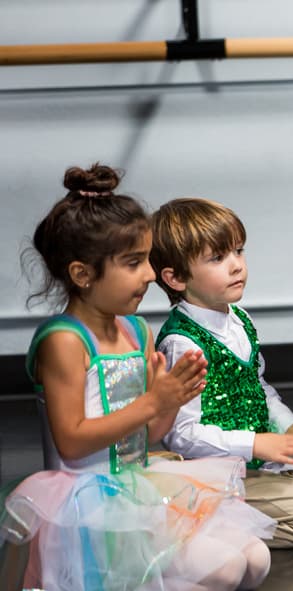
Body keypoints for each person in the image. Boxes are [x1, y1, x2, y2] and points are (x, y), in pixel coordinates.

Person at [0, 164, 273, 590]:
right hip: (84, 499)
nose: (149, 274)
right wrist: (151, 402)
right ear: (82, 274)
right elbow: (71, 440)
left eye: (146, 259)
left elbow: (149, 436)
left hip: (136, 483)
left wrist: (169, 402)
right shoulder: (65, 341)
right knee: (225, 569)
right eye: (133, 263)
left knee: (256, 559)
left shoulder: (136, 331)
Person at [150, 197, 293, 548]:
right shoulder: (183, 344)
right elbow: (181, 434)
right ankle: (206, 524)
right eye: (218, 258)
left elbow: (258, 388)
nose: (236, 266)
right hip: (216, 473)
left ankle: (251, 508)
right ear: (176, 278)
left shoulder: (239, 320)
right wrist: (256, 443)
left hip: (254, 466)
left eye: (238, 252)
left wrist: (288, 427)